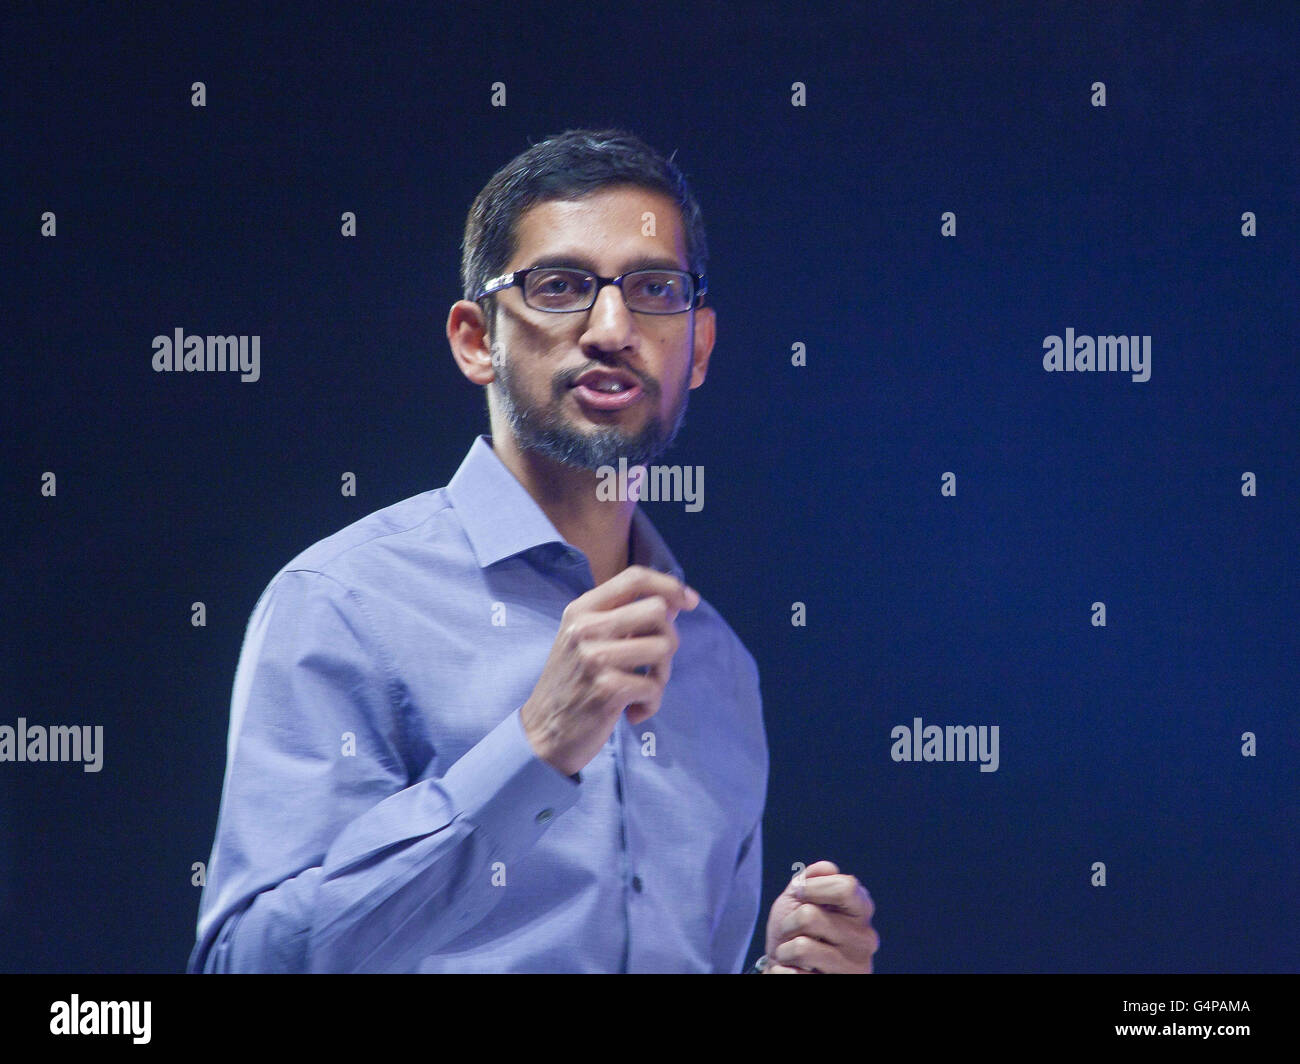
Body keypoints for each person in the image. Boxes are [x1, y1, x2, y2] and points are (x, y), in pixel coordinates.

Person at [188, 128, 879, 973]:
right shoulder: (344, 602)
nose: (613, 327)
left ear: (696, 348)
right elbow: (243, 964)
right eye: (561, 287)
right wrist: (536, 747)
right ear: (478, 340)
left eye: (655, 289)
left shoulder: (719, 667)